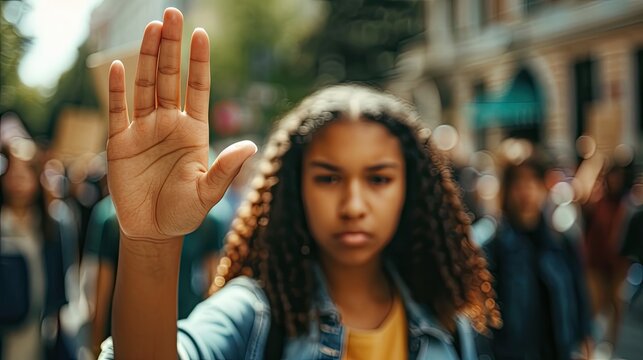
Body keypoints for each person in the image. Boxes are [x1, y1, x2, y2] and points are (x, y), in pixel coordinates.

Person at [99, 8, 499, 359]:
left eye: (379, 179)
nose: (353, 204)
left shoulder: (447, 322)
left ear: (409, 189)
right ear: (294, 188)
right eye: (328, 178)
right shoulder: (253, 317)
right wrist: (150, 245)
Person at [482, 154, 593, 360]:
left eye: (533, 181)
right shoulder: (493, 246)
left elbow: (579, 294)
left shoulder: (561, 242)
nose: (526, 191)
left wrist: (585, 338)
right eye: (518, 183)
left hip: (557, 349)